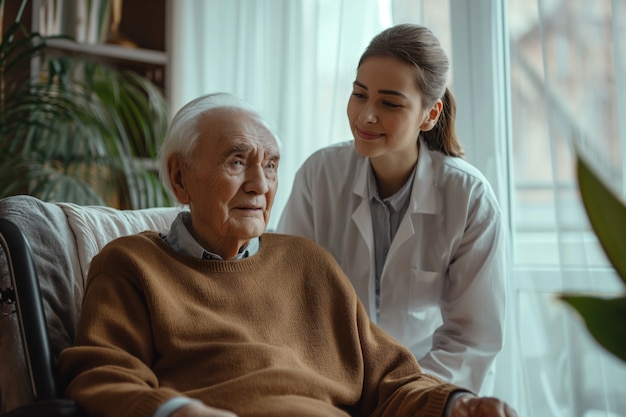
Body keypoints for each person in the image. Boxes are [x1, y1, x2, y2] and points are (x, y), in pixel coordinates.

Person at [58, 92, 517, 417]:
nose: (260, 184)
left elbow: (392, 381)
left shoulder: (307, 262)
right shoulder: (132, 265)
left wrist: (457, 404)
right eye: (238, 161)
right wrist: (177, 411)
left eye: (271, 165)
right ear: (180, 179)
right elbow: (101, 373)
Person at [277, 23, 506, 394]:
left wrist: (404, 394)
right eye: (359, 94)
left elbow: (471, 338)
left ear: (430, 114)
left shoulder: (470, 198)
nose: (366, 115)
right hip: (326, 379)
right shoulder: (319, 176)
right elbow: (287, 290)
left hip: (426, 385)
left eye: (389, 103)